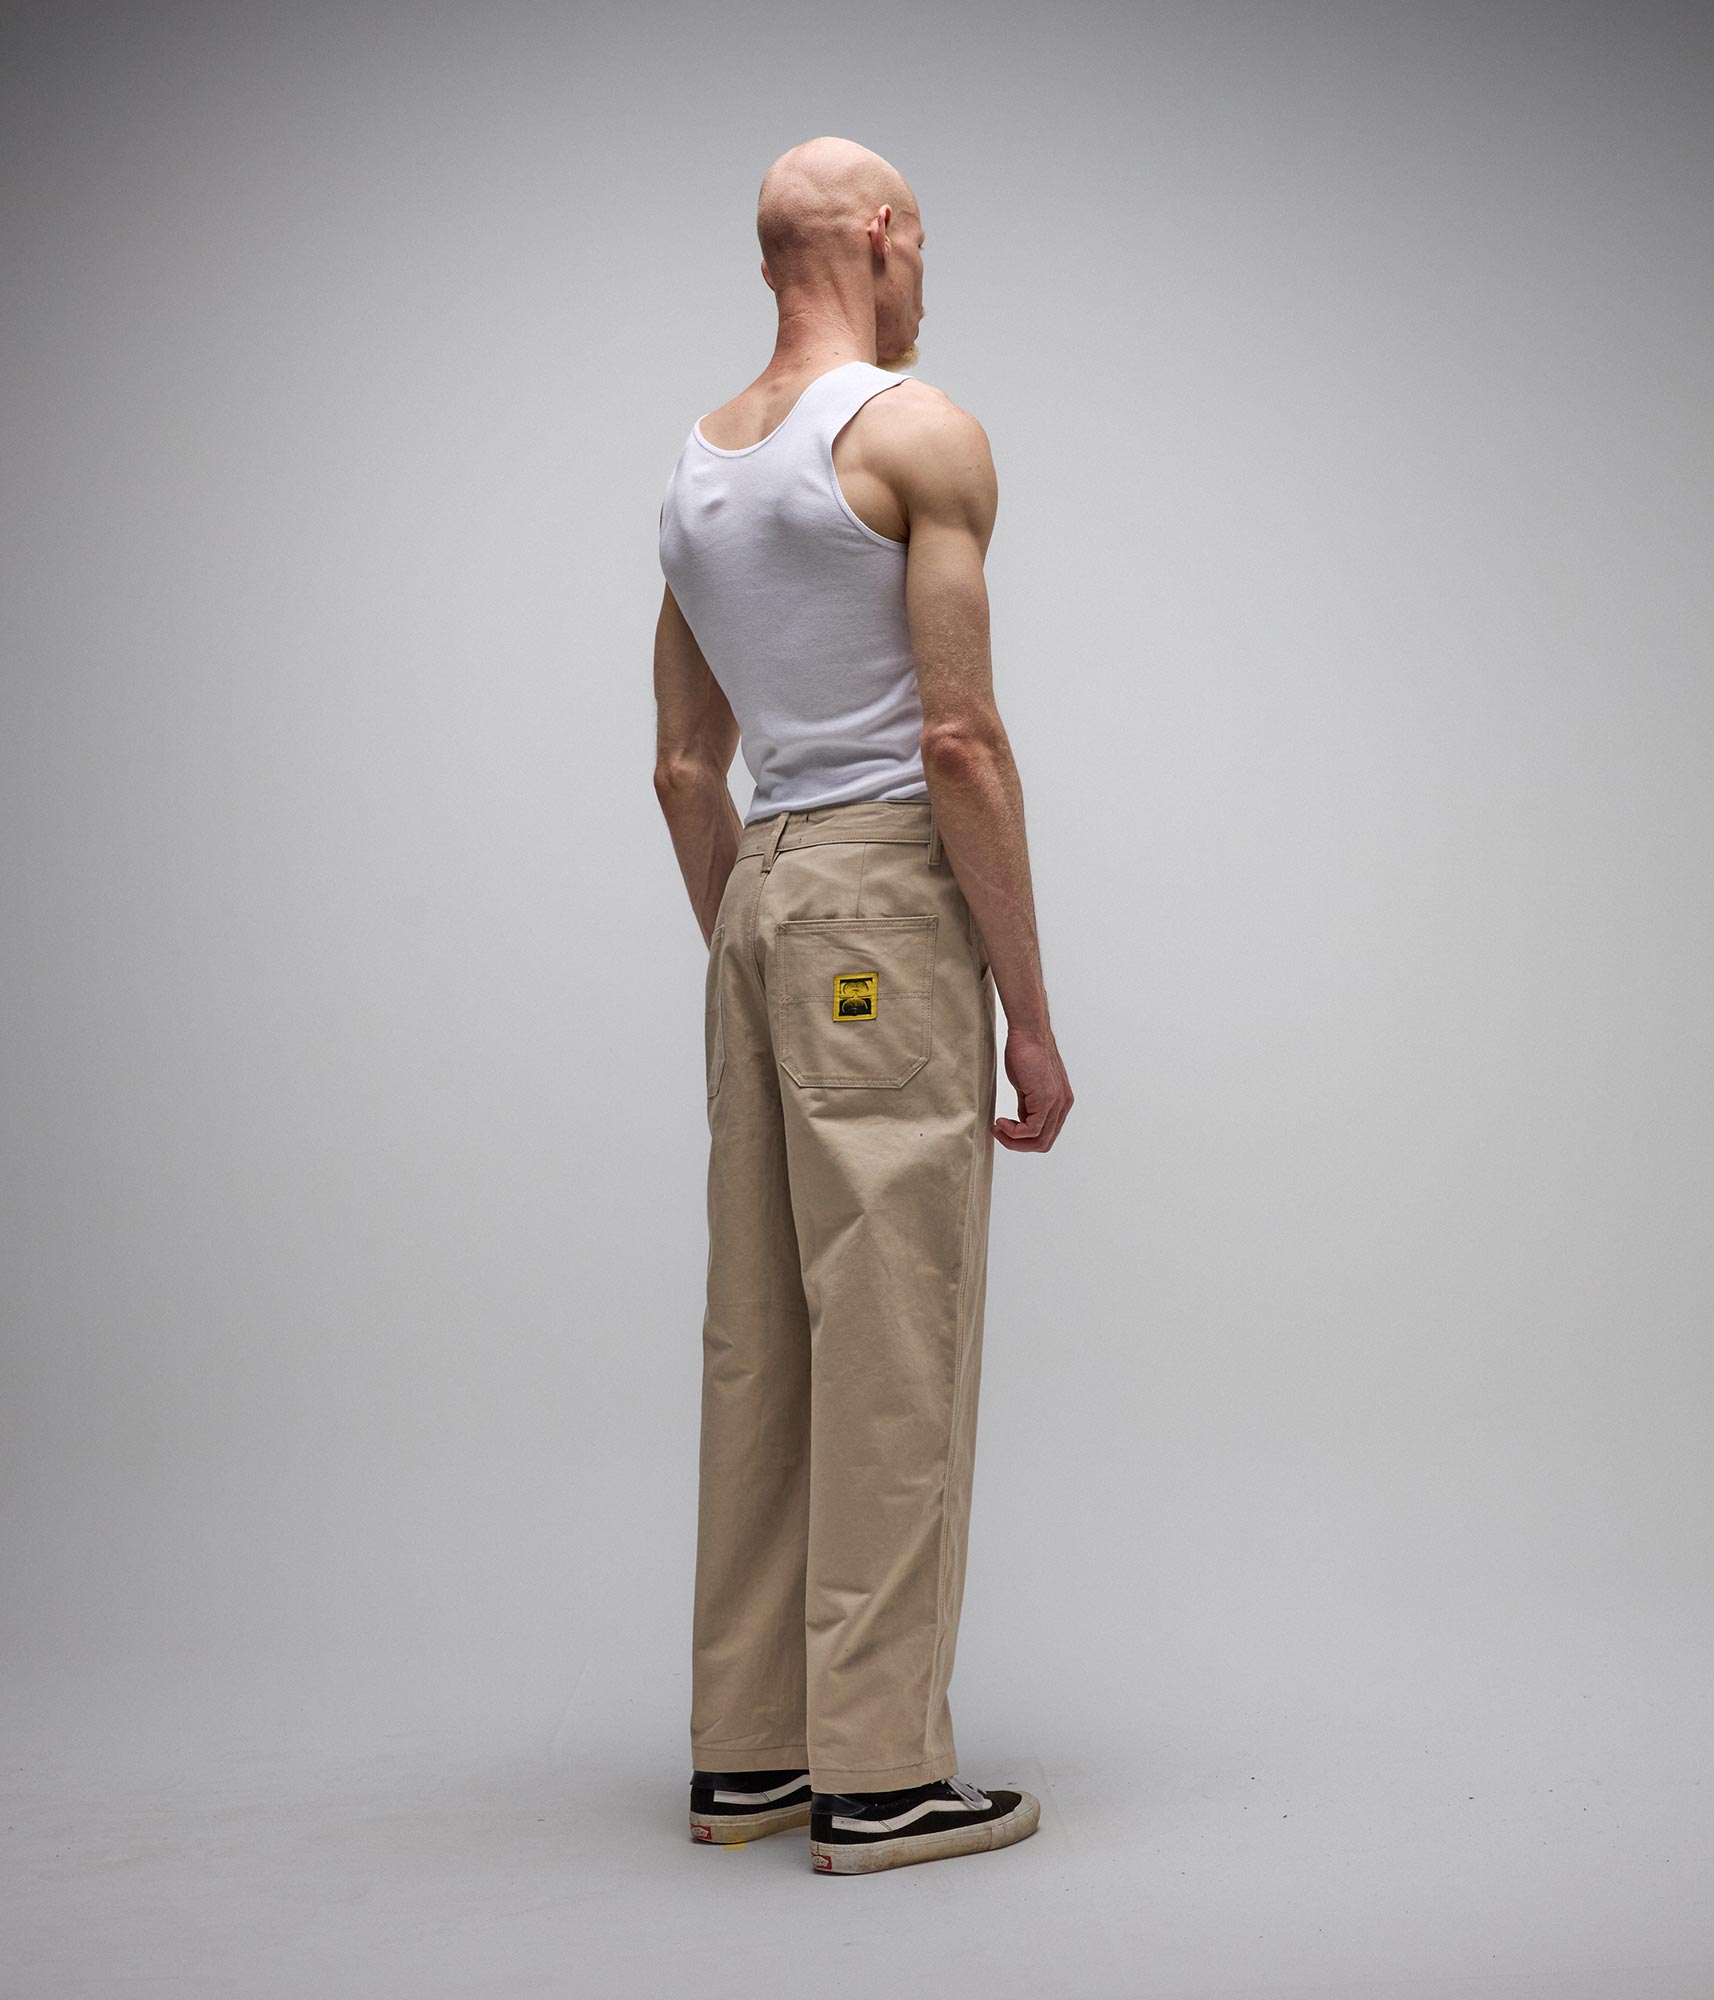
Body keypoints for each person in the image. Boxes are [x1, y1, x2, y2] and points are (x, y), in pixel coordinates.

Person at [653, 135, 1072, 1875]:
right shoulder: (912, 433)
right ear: (884, 236)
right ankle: (881, 1775)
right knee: (893, 1332)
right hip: (885, 891)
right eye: (922, 247)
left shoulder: (698, 472)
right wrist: (1025, 1016)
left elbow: (685, 768)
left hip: (760, 897)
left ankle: (750, 1755)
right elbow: (957, 739)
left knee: (761, 1335)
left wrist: (753, 951)